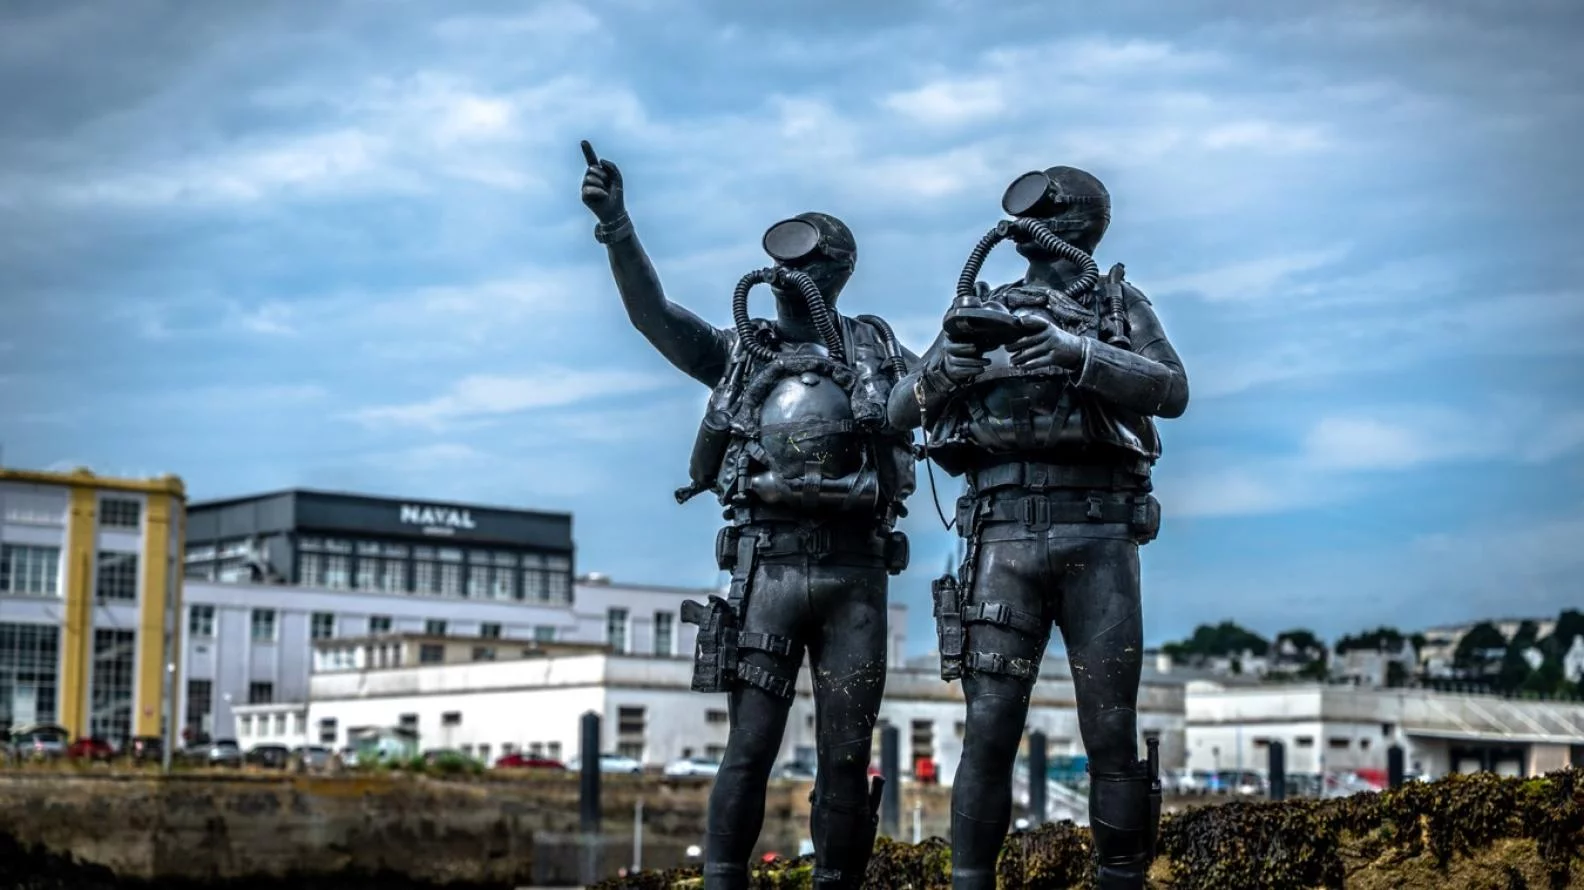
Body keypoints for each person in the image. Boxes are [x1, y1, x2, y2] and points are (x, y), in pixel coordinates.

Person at [580, 144, 917, 890]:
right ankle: (724, 877)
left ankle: (834, 879)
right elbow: (653, 318)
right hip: (767, 569)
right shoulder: (743, 353)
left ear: (832, 274)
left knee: (844, 753)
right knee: (750, 744)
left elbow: (935, 391)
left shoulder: (876, 351)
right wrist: (619, 228)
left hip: (855, 572)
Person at [887, 165, 1189, 890]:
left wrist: (1078, 354)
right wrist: (943, 374)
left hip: (1099, 534)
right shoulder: (979, 309)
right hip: (1003, 539)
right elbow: (901, 410)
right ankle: (970, 881)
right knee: (989, 728)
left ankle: (1119, 876)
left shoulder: (1118, 306)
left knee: (1110, 728)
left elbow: (1171, 388)